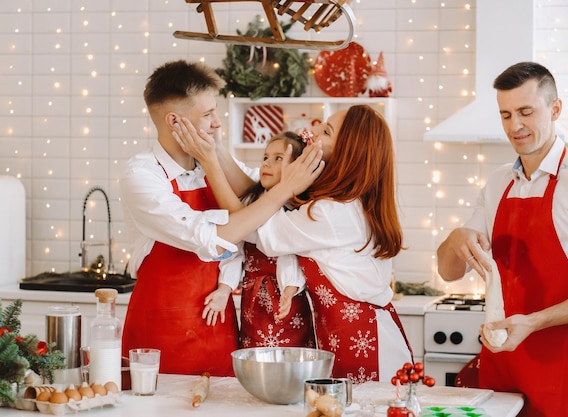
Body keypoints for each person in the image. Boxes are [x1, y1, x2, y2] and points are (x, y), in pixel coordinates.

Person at [436, 61, 568, 416]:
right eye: (505, 115)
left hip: (560, 363)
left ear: (555, 109)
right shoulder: (497, 183)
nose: (515, 125)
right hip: (501, 360)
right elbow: (450, 272)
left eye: (526, 111)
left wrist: (534, 322)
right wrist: (454, 237)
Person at [180, 104, 414, 383]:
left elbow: (250, 224)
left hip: (369, 346)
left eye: (325, 132)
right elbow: (256, 197)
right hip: (346, 338)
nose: (313, 131)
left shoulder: (331, 213)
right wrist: (216, 148)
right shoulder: (335, 202)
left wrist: (209, 163)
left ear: (348, 154)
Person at [119, 59, 323, 376]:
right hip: (161, 333)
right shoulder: (142, 175)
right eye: (208, 114)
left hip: (220, 325)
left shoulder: (210, 165)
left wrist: (217, 154)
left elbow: (255, 194)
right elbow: (210, 238)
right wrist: (283, 191)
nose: (217, 123)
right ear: (175, 121)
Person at [217, 131, 315, 349]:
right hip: (252, 299)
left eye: (278, 158)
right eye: (265, 158)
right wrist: (225, 287)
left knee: (291, 359)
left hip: (287, 298)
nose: (267, 164)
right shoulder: (251, 203)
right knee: (255, 357)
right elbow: (234, 248)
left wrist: (290, 289)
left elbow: (291, 255)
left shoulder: (296, 212)